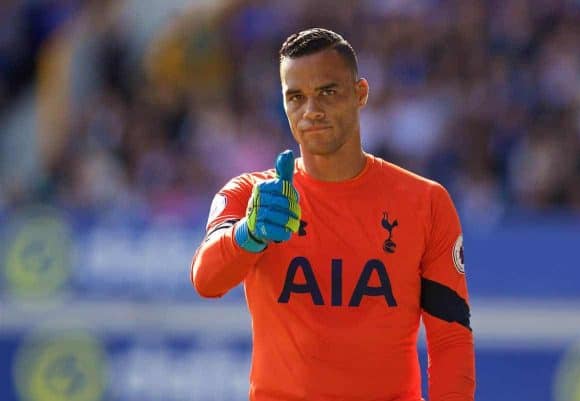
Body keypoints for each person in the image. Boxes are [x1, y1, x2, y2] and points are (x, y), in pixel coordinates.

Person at [191, 28, 475, 401]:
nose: (311, 110)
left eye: (328, 91)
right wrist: (249, 234)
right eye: (296, 97)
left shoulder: (426, 202)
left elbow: (450, 336)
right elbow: (206, 280)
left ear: (360, 94)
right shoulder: (253, 196)